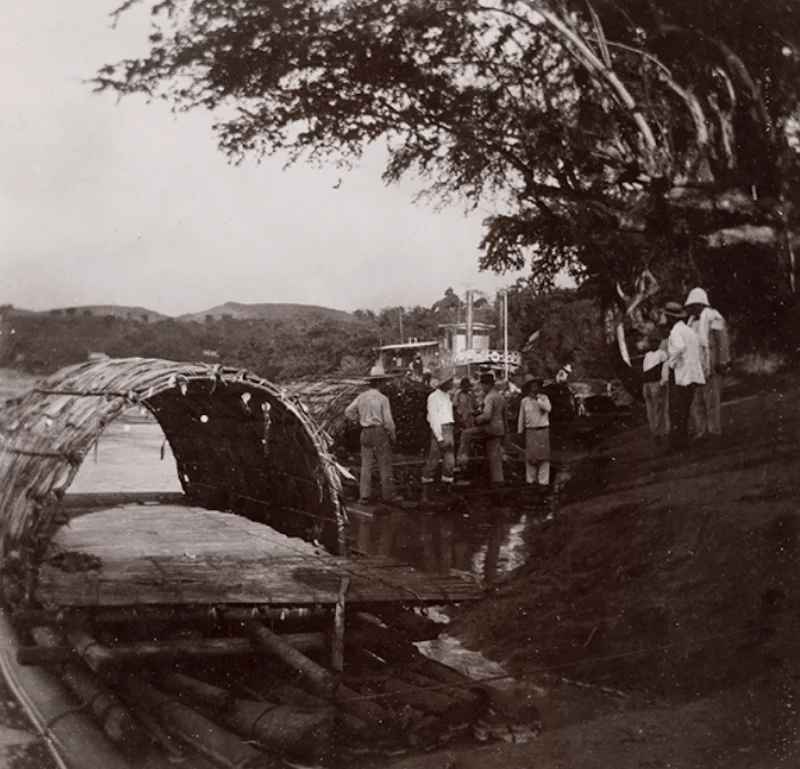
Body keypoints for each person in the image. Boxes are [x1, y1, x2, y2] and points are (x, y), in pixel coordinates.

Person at [344, 365, 401, 504]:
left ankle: (364, 496)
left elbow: (348, 411)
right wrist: (393, 435)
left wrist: (359, 420)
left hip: (365, 432)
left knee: (366, 465)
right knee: (385, 464)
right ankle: (389, 495)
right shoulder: (382, 399)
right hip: (379, 432)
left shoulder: (361, 397)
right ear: (380, 382)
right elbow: (388, 421)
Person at [684, 287, 731, 440]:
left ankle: (714, 430)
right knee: (697, 401)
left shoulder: (713, 318)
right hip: (696, 368)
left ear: (701, 304)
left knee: (711, 400)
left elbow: (722, 340)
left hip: (711, 365)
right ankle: (702, 430)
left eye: (693, 305)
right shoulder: (691, 323)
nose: (691, 309)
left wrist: (722, 361)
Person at [664, 302, 705, 450]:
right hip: (692, 375)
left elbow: (680, 347)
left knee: (676, 410)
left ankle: (678, 443)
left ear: (671, 318)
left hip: (681, 375)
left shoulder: (676, 331)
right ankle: (683, 440)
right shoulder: (690, 331)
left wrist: (672, 363)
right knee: (684, 409)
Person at [456, 372, 507, 483]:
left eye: (483, 385)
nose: (482, 387)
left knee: (466, 434)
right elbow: (504, 416)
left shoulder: (489, 398)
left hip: (489, 428)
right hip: (498, 429)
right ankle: (498, 480)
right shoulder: (500, 397)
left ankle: (461, 461)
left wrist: (477, 419)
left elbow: (487, 415)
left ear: (487, 385)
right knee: (495, 456)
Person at [421, 373, 456, 499]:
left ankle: (446, 490)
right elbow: (434, 418)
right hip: (441, 429)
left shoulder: (447, 397)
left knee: (449, 462)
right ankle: (426, 492)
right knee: (433, 460)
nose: (452, 383)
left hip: (449, 428)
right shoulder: (433, 397)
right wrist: (439, 436)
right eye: (450, 381)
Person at [517, 378, 552, 487]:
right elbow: (521, 417)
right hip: (530, 431)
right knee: (531, 458)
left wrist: (538, 399)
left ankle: (543, 483)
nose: (534, 389)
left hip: (542, 430)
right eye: (532, 387)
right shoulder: (524, 401)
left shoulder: (544, 398)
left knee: (544, 458)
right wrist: (520, 431)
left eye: (536, 386)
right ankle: (531, 482)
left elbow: (548, 408)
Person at [641, 334, 669, 441]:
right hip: (651, 383)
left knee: (655, 408)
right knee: (656, 408)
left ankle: (657, 432)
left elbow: (664, 368)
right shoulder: (655, 354)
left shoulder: (654, 355)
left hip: (651, 383)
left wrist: (662, 381)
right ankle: (657, 432)